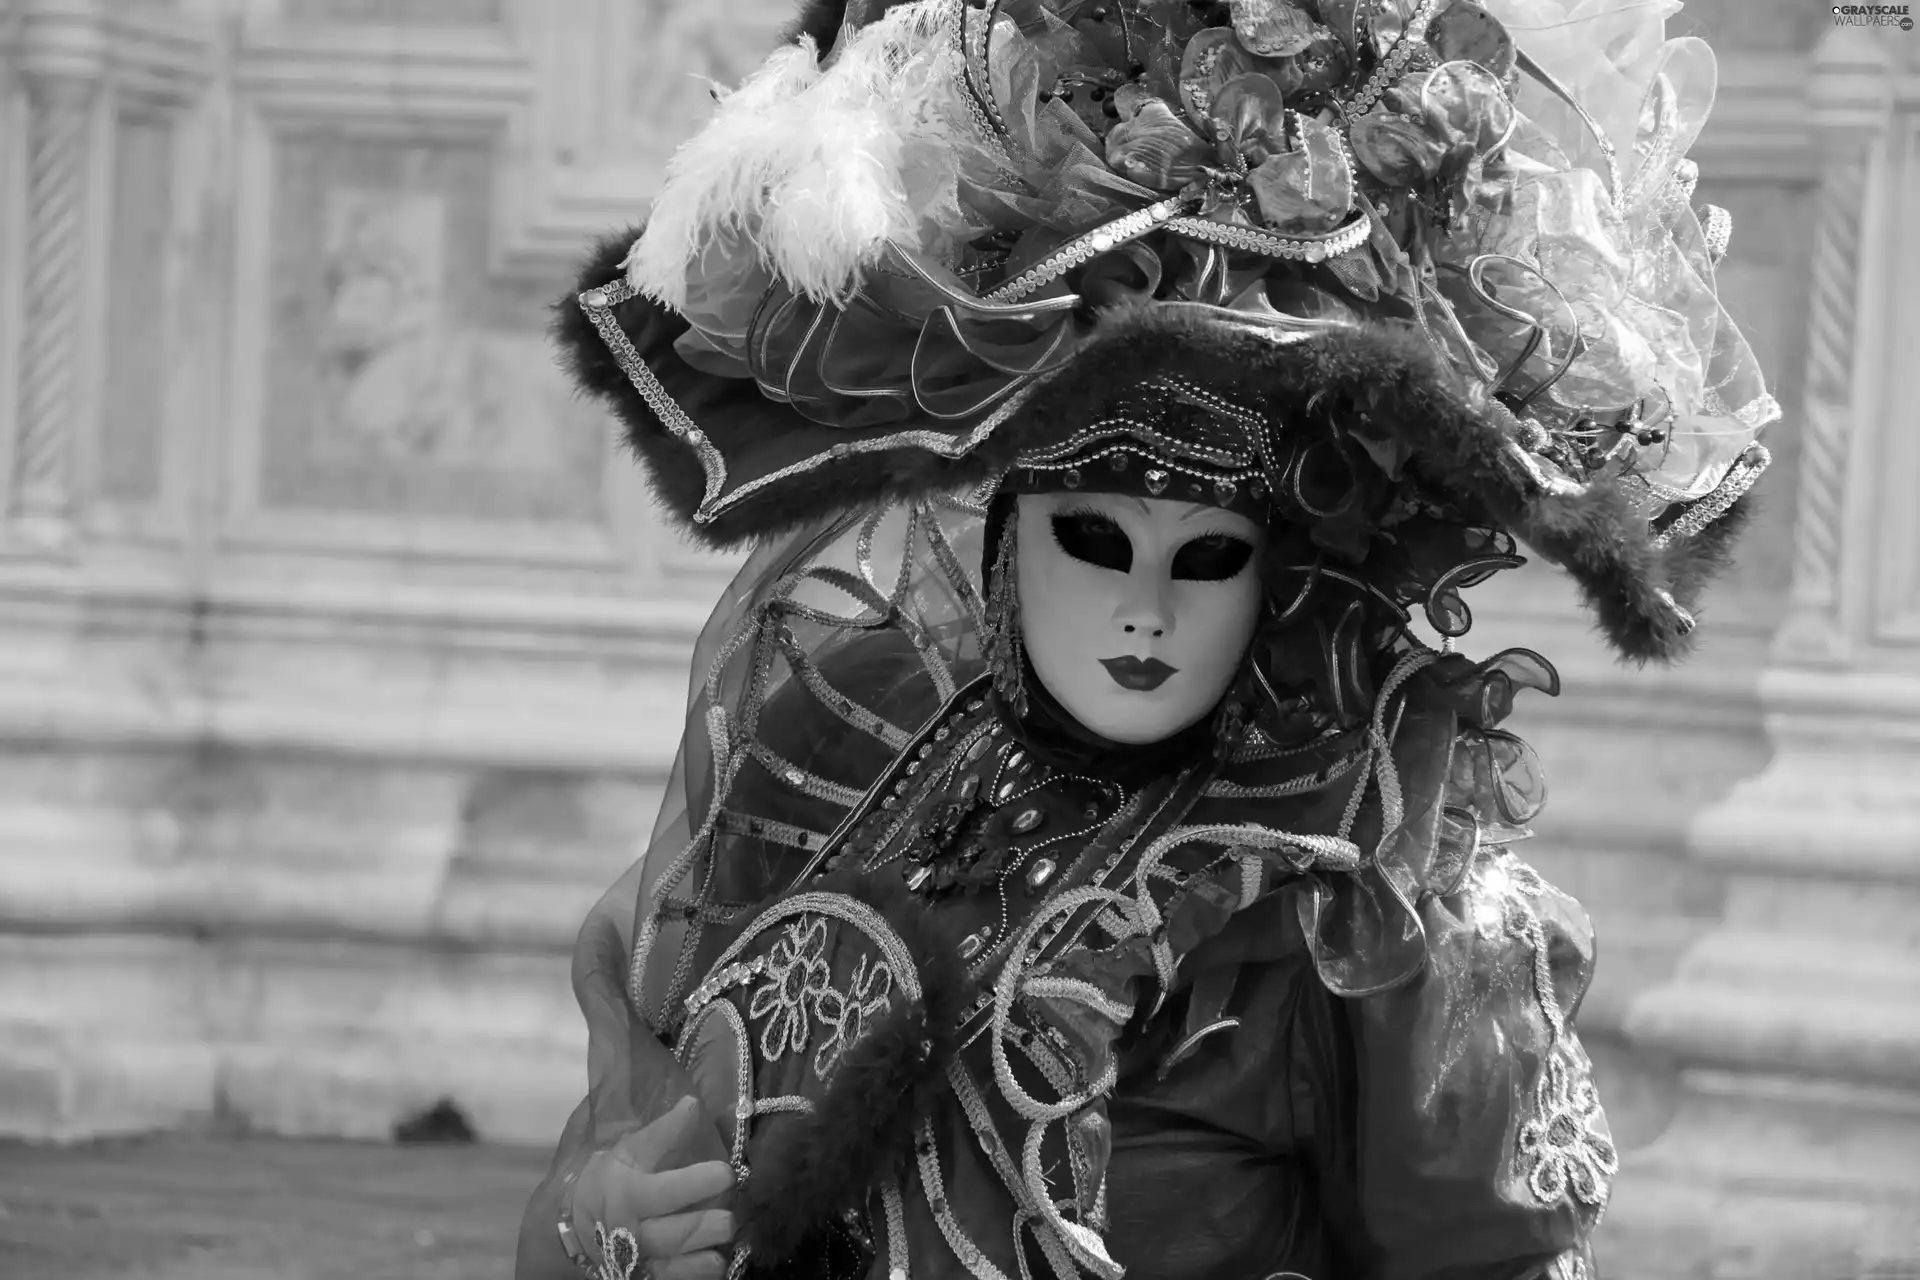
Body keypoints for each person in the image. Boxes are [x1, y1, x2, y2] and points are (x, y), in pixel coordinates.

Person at [517, 1, 1778, 1277]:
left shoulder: (1361, 895)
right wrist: (605, 1227)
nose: (1147, 610)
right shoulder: (845, 744)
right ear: (1008, 541)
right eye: (1097, 544)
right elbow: (634, 1153)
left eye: (1208, 557)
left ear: (1276, 571)